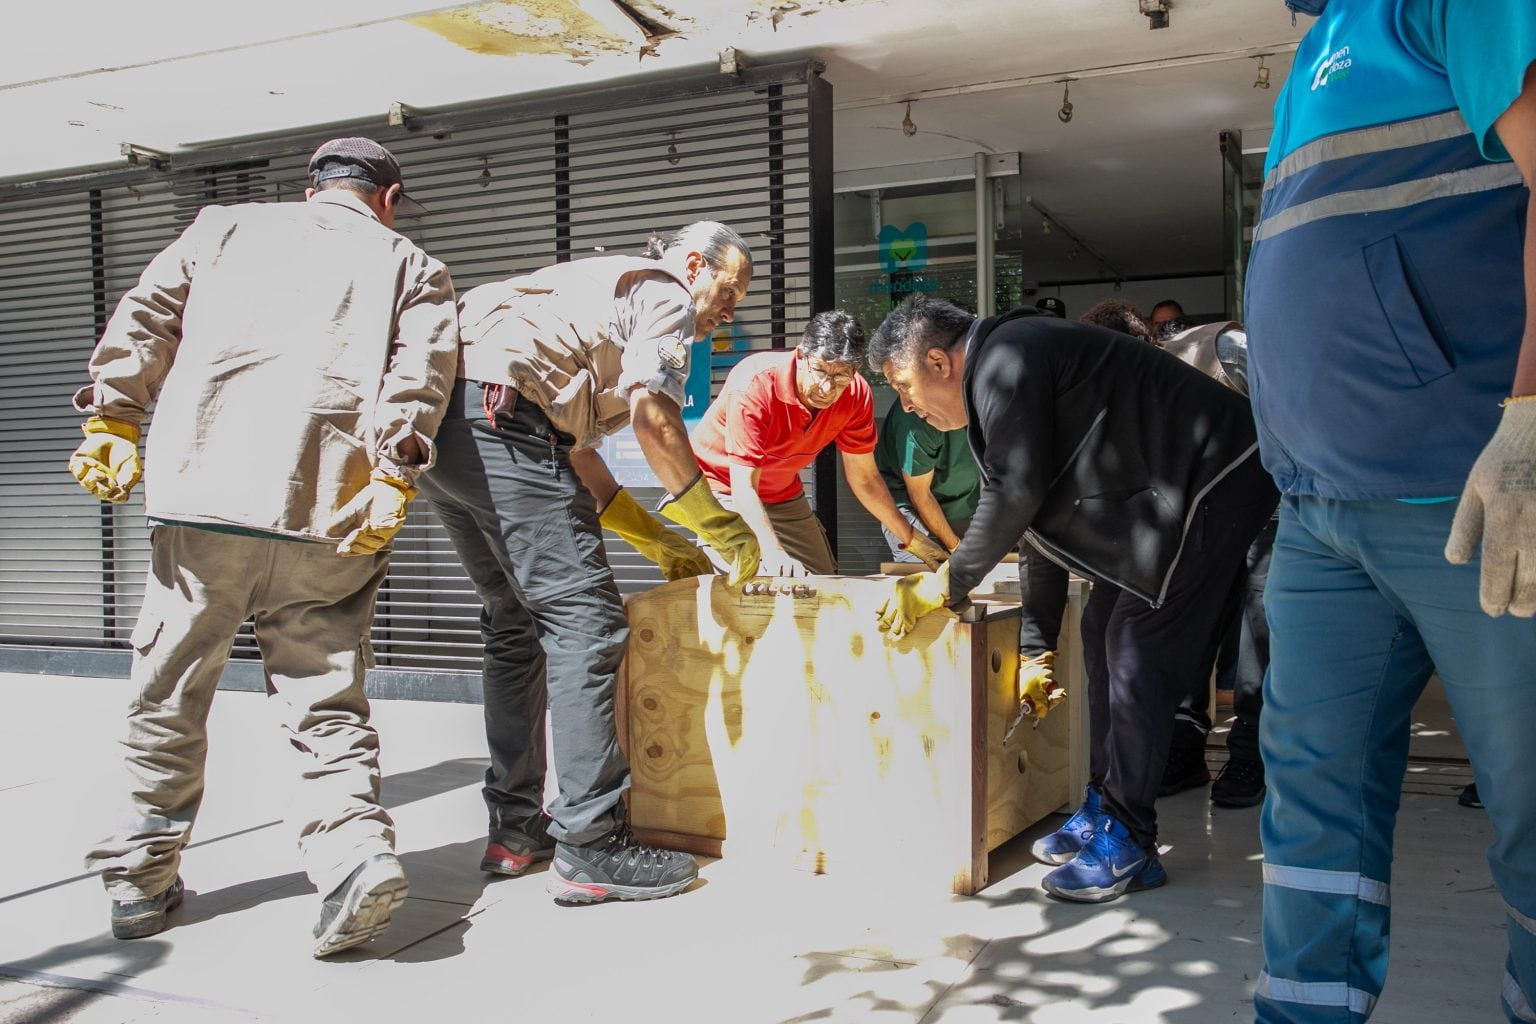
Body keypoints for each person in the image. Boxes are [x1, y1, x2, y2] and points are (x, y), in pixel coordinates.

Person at [72, 138, 460, 957]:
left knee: (171, 687)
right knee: (326, 700)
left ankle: (141, 878)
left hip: (203, 498)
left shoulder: (220, 228)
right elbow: (420, 375)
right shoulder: (411, 263)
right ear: (386, 199)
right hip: (333, 506)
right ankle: (354, 853)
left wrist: (112, 415)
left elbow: (144, 316)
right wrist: (396, 471)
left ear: (312, 188)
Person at [1245, 2, 1536, 1020]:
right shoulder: (1317, 48)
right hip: (1321, 512)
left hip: (1468, 497)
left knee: (1532, 806)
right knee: (1311, 820)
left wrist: (1534, 418)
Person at [867, 294, 1276, 904]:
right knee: (1100, 629)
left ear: (937, 361)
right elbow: (1034, 527)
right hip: (1169, 497)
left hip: (1217, 480)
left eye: (902, 385)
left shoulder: (1006, 359)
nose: (906, 405)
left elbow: (1015, 493)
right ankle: (1107, 801)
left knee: (1135, 647)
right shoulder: (1008, 364)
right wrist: (1036, 648)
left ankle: (1131, 840)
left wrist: (946, 582)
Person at [417, 222, 761, 904]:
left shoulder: (582, 293)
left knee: (514, 624)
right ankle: (591, 843)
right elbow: (652, 417)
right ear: (693, 264)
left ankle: (516, 832)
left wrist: (652, 536)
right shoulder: (661, 293)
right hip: (503, 422)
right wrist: (715, 523)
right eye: (728, 292)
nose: (727, 313)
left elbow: (574, 451)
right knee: (588, 626)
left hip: (443, 432)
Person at [690, 309, 947, 576]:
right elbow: (744, 488)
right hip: (724, 487)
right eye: (820, 371)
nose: (826, 388)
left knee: (823, 581)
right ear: (801, 356)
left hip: (781, 491)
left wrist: (911, 538)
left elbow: (866, 480)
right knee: (756, 579)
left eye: (839, 377)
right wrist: (775, 554)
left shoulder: (856, 395)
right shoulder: (754, 385)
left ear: (855, 371)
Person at [1159, 319, 1275, 809]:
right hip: (1208, 512)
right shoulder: (1126, 387)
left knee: (1259, 624)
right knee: (1193, 622)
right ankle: (1184, 750)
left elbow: (1286, 415)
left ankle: (1251, 751)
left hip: (1273, 504)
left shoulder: (1224, 351)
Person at [874, 402, 978, 560]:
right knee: (922, 575)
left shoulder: (985, 405)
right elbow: (920, 496)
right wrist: (956, 548)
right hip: (911, 507)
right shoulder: (915, 418)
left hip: (961, 506)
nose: (906, 402)